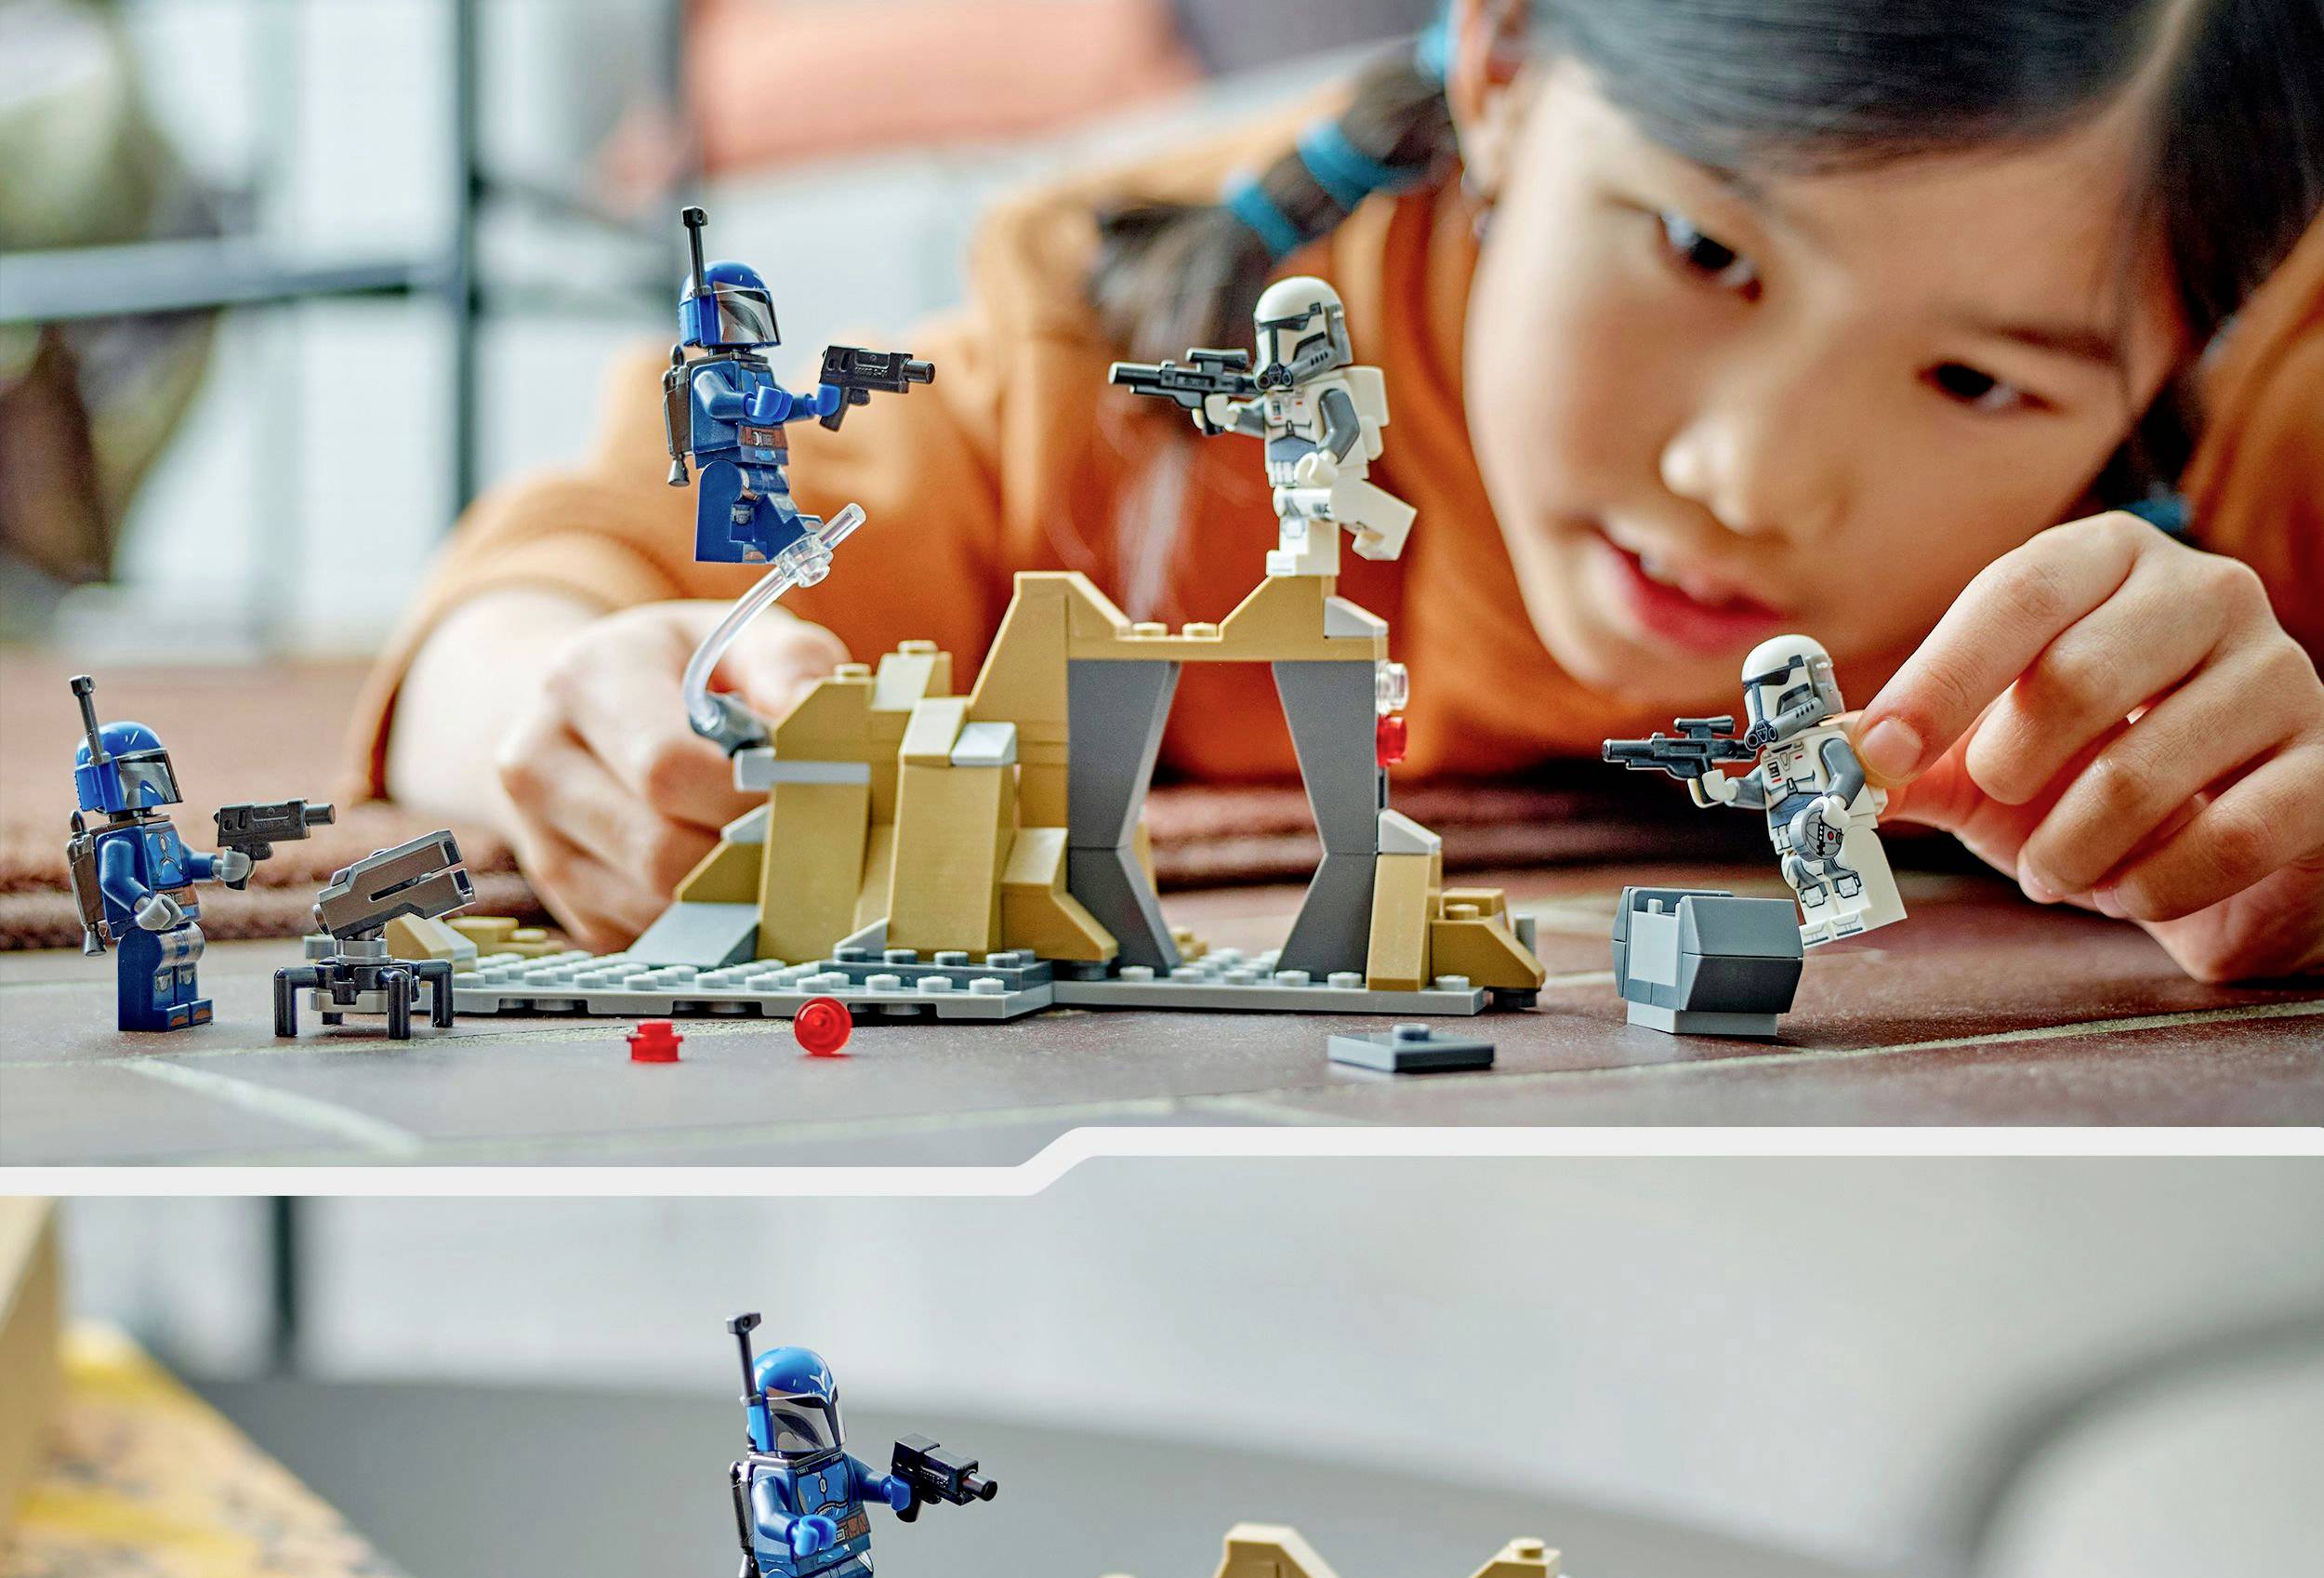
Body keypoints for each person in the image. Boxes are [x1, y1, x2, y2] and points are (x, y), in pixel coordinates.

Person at [359, 1, 2324, 982]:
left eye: (1975, 379)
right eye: (1700, 251)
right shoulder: (1140, 365)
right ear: (1498, 70)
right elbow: (555, 586)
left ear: (2195, 346)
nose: (1745, 475)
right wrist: (575, 707)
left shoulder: (2270, 408)